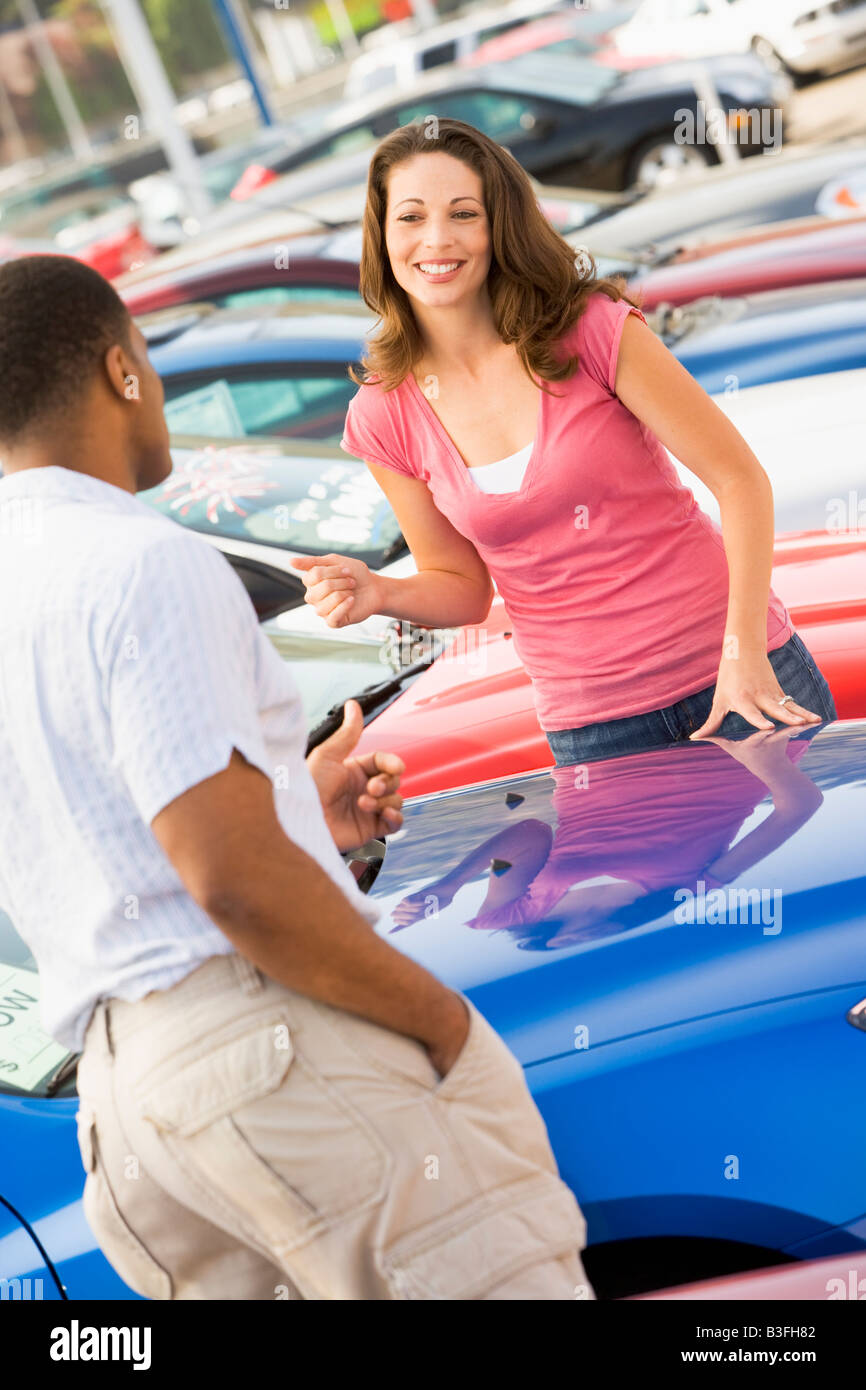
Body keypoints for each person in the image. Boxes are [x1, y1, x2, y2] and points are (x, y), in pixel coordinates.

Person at [0, 254, 591, 1300]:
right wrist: (444, 1028)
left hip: (125, 1112)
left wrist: (292, 814)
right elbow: (229, 883)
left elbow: (93, 831)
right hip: (263, 1048)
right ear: (120, 369)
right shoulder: (143, 559)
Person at [291, 119, 837, 767]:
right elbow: (463, 588)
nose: (436, 239)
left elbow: (739, 480)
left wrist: (744, 652)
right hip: (596, 727)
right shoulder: (384, 414)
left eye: (463, 213)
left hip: (743, 676)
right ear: (382, 238)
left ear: (499, 226)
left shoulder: (593, 330)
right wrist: (380, 591)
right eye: (410, 218)